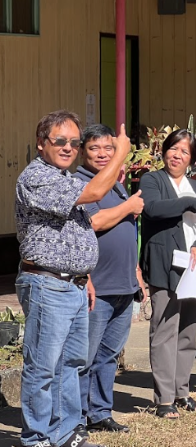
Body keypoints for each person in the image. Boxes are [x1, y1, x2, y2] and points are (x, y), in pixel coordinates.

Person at [15, 111, 130, 447]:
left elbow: (74, 232)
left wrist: (85, 277)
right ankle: (37, 438)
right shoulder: (37, 177)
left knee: (71, 365)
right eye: (60, 141)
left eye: (73, 142)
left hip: (73, 284)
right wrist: (120, 152)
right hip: (47, 284)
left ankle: (65, 434)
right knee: (43, 367)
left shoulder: (64, 178)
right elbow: (95, 192)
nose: (68, 147)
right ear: (41, 144)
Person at [140, 129, 196, 419]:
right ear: (164, 151)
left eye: (184, 152)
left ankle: (182, 392)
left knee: (188, 331)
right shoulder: (152, 180)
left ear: (192, 160)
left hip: (193, 266)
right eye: (173, 148)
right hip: (164, 264)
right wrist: (187, 203)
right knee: (164, 330)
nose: (177, 155)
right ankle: (164, 399)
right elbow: (152, 209)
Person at [75, 124, 147, 435]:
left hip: (123, 284)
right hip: (96, 286)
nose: (103, 154)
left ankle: (100, 413)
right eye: (95, 148)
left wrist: (136, 273)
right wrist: (129, 206)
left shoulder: (115, 184)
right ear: (82, 151)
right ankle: (75, 419)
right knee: (84, 358)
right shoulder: (79, 182)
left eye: (109, 148)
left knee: (108, 356)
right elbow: (94, 221)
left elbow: (126, 231)